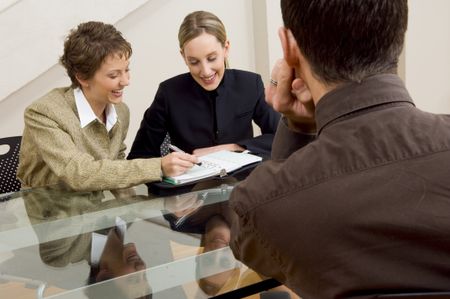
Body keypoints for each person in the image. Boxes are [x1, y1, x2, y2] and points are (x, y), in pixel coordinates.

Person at [227, 0, 450, 298]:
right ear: (399, 32)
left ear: (289, 47)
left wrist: (298, 125)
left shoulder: (262, 203)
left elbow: (256, 243)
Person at [17, 21, 198, 191]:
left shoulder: (120, 111)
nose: (126, 81)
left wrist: (130, 217)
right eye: (113, 76)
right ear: (82, 77)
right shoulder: (44, 113)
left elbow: (116, 169)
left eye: (126, 70)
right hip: (49, 218)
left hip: (98, 213)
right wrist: (158, 166)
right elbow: (79, 173)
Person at [127, 10, 280, 160]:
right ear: (183, 56)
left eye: (212, 58)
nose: (205, 72)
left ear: (226, 48)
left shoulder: (250, 84)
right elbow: (139, 158)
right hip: (191, 184)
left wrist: (232, 147)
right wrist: (164, 167)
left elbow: (283, 138)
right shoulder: (168, 93)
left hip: (244, 182)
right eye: (194, 62)